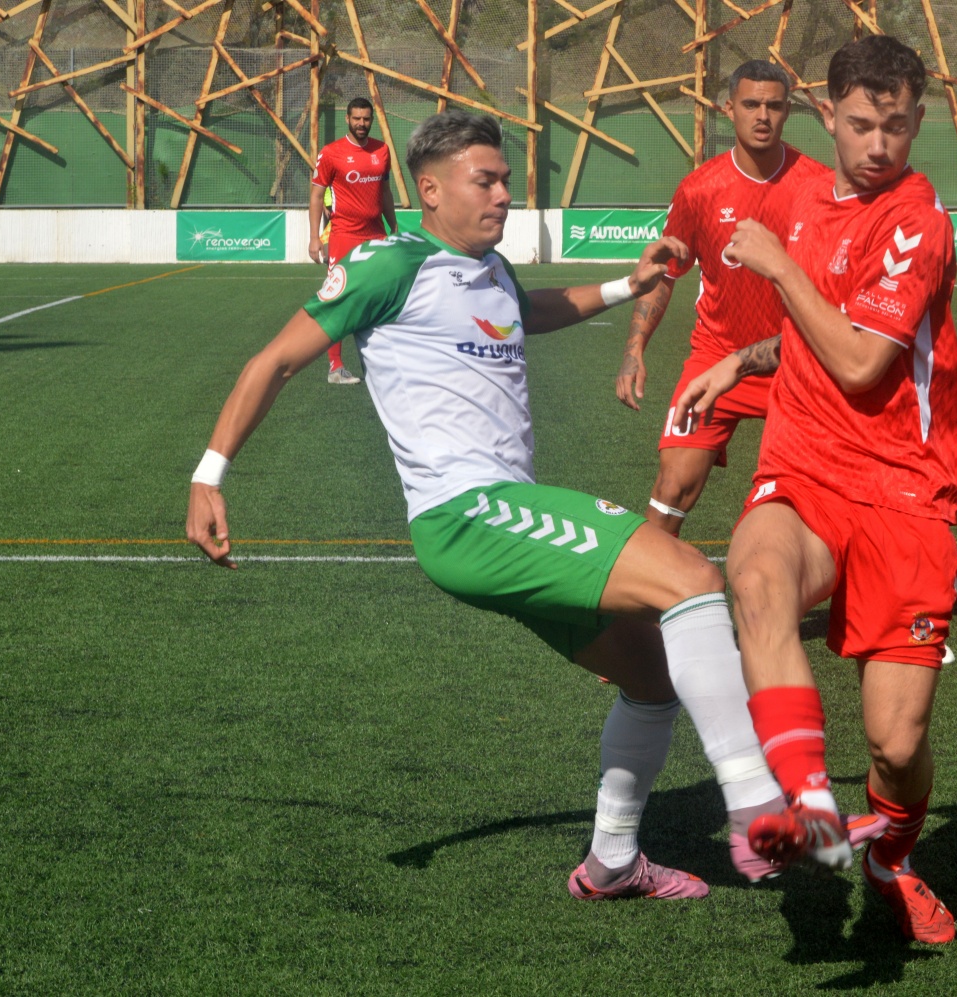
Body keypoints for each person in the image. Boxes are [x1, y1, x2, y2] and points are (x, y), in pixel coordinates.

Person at [187, 109, 882, 900]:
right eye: (484, 180)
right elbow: (275, 360)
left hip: (500, 518)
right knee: (690, 576)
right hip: (468, 514)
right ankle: (761, 812)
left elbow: (529, 311)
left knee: (652, 677)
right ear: (430, 188)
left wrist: (631, 282)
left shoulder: (490, 270)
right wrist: (210, 474)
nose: (503, 194)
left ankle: (612, 861)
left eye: (507, 180)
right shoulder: (387, 263)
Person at [673, 36, 957, 944]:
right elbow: (806, 336)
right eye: (861, 124)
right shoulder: (799, 194)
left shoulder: (917, 221)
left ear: (919, 122)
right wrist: (738, 358)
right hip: (803, 469)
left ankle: (889, 858)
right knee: (752, 577)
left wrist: (776, 269)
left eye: (897, 126)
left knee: (896, 744)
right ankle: (799, 802)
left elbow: (859, 357)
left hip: (906, 492)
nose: (879, 145)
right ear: (829, 115)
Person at [614, 61, 828, 535]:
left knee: (814, 495)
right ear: (728, 108)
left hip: (796, 358)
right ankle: (645, 602)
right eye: (751, 104)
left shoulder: (819, 187)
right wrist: (634, 351)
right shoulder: (699, 189)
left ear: (787, 110)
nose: (762, 116)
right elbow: (665, 275)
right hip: (716, 356)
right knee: (672, 487)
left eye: (774, 105)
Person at [309, 97, 399, 384]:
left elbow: (384, 193)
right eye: (357, 118)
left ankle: (386, 363)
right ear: (347, 119)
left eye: (366, 119)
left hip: (376, 234)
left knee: (384, 297)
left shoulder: (382, 151)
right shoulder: (331, 153)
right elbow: (315, 196)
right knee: (339, 299)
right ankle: (335, 367)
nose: (362, 124)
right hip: (344, 235)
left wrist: (393, 225)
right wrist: (314, 238)